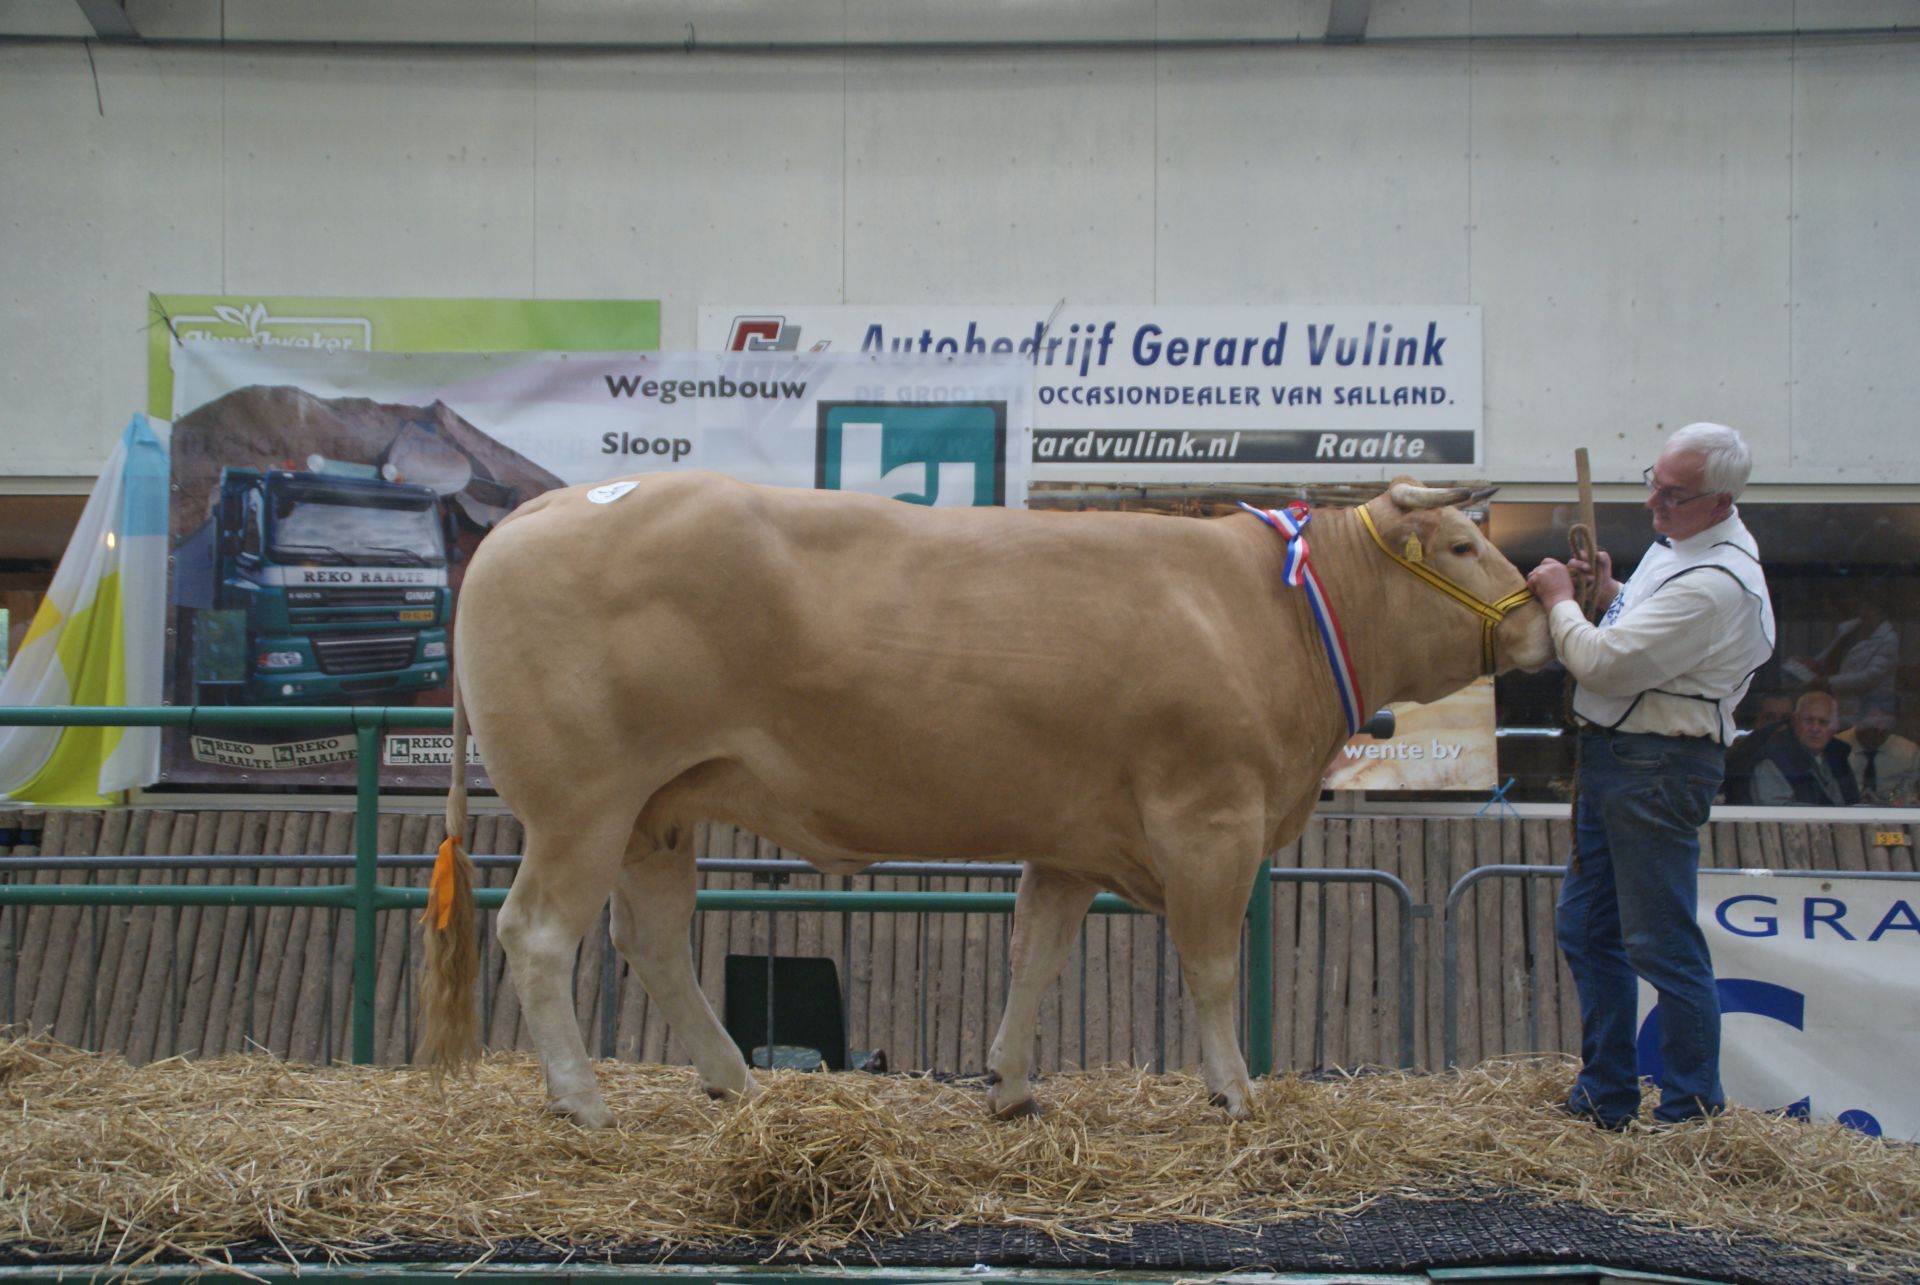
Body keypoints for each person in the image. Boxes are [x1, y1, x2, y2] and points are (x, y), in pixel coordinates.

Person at [1526, 422, 1775, 1129]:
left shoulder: (1716, 581)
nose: (1654, 503)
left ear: (1721, 500)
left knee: (1658, 940)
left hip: (1657, 763)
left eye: (1675, 493)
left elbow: (1604, 664)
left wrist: (1559, 600)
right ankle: (1606, 1092)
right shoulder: (1686, 553)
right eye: (1653, 483)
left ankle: (1692, 1107)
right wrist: (1611, 593)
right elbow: (1643, 639)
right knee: (1588, 926)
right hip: (1627, 756)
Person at [1786, 597, 1898, 729]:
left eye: (1870, 609)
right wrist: (1807, 664)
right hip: (1834, 706)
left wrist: (1828, 682)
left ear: (1883, 613)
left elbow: (1869, 678)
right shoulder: (1850, 629)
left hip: (1863, 712)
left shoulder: (1889, 640)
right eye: (1863, 607)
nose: (1864, 612)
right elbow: (1828, 656)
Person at [1750, 690, 1859, 807]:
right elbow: (1775, 812)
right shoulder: (1773, 759)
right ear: (1795, 720)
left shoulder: (1840, 756)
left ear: (1836, 725)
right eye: (1808, 721)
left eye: (1823, 722)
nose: (1815, 728)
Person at [1721, 689, 1794, 804]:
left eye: (1785, 719)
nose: (1777, 725)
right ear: (1758, 720)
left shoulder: (1802, 755)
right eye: (1770, 717)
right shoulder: (1740, 757)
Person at [1836, 710, 1920, 807]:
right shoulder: (1834, 747)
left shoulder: (1910, 753)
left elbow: (1910, 796)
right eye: (1873, 729)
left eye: (1884, 730)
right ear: (1858, 722)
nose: (1878, 732)